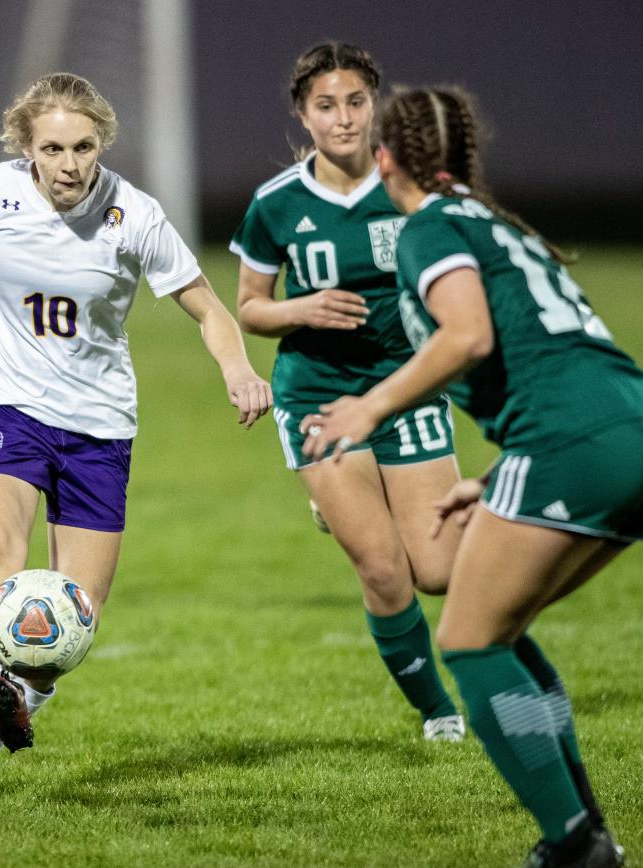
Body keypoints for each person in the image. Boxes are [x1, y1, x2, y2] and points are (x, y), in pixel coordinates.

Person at [302, 86, 643, 868]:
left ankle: (578, 839)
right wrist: (499, 474)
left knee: (471, 643)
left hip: (573, 442)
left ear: (386, 158)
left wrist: (370, 406)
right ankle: (572, 835)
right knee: (501, 629)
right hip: (637, 434)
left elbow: (468, 335)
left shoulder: (430, 225)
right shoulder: (494, 220)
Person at [0, 72, 272, 800]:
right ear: (26, 146)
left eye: (84, 147)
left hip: (98, 426)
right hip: (1, 405)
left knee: (69, 628)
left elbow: (209, 310)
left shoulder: (134, 214)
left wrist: (238, 369)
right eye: (53, 148)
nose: (71, 164)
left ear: (102, 142)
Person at [230, 43, 467, 743]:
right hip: (320, 397)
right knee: (384, 568)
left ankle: (340, 502)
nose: (343, 119)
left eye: (356, 102)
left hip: (405, 390)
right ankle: (439, 712)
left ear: (376, 105)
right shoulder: (276, 205)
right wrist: (299, 310)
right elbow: (249, 306)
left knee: (439, 571)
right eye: (326, 106)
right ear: (303, 115)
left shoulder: (416, 186)